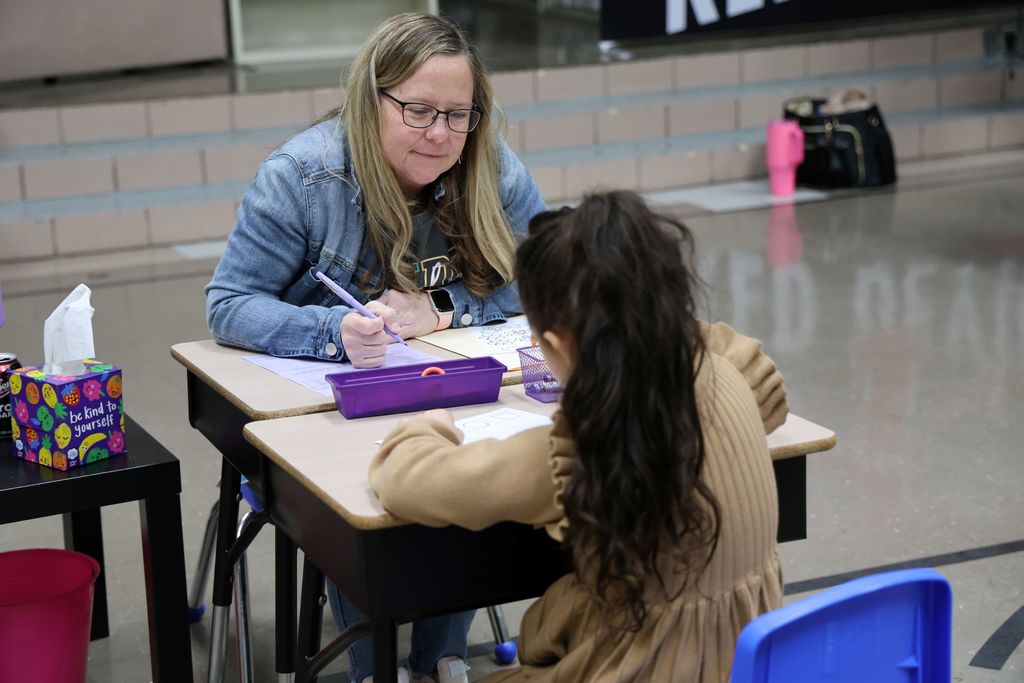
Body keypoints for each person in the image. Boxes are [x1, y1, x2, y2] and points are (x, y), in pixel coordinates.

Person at [205, 12, 546, 683]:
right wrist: (333, 330)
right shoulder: (303, 175)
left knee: (472, 464)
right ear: (373, 99)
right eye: (418, 110)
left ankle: (442, 656)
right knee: (367, 483)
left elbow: (547, 281)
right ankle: (373, 666)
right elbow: (228, 303)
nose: (440, 134)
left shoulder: (493, 165)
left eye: (459, 114)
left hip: (453, 387)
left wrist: (443, 309)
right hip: (334, 402)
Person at [369, 191, 790, 682]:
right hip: (746, 666)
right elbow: (755, 376)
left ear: (554, 343)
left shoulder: (587, 447)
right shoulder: (730, 375)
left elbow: (406, 479)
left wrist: (430, 423)